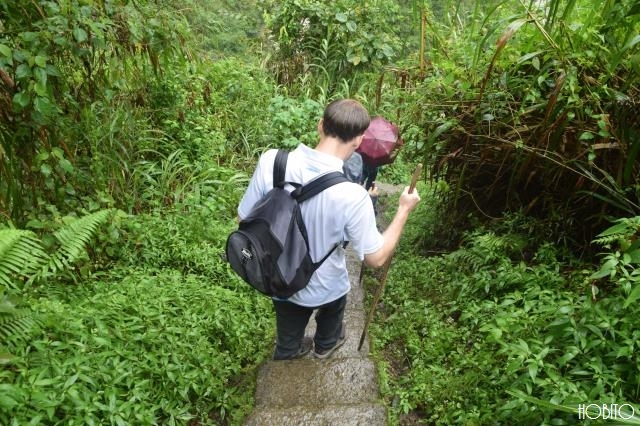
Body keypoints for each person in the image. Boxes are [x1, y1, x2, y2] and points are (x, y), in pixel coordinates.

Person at [237, 99, 421, 360]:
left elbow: (244, 217)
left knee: (287, 336)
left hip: (278, 277)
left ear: (320, 125)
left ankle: (289, 351)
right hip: (326, 285)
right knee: (331, 324)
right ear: (358, 142)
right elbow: (375, 258)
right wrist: (403, 210)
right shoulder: (353, 196)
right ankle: (324, 347)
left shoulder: (272, 162)